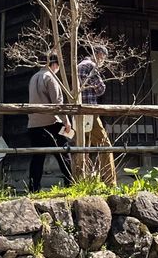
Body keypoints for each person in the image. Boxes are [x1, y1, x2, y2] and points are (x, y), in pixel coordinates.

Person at [28, 53, 74, 191]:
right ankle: (70, 184)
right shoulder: (51, 78)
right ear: (54, 64)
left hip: (34, 124)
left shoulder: (33, 77)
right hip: (52, 123)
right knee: (64, 153)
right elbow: (58, 104)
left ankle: (33, 187)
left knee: (37, 158)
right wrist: (66, 121)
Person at [77, 45, 116, 185]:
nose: (103, 61)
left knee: (82, 147)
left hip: (78, 113)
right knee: (105, 145)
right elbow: (100, 89)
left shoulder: (79, 65)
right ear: (99, 54)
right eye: (103, 58)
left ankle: (81, 181)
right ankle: (111, 183)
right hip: (90, 111)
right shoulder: (91, 66)